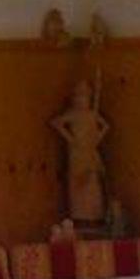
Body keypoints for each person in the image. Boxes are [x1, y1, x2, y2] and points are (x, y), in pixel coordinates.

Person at [50, 77, 110, 226]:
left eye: (85, 97)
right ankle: (79, 217)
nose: (82, 100)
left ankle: (94, 216)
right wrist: (71, 139)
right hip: (77, 153)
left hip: (89, 151)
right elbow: (56, 123)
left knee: (92, 183)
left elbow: (105, 126)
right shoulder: (73, 114)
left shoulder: (91, 114)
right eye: (79, 96)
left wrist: (96, 138)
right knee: (77, 184)